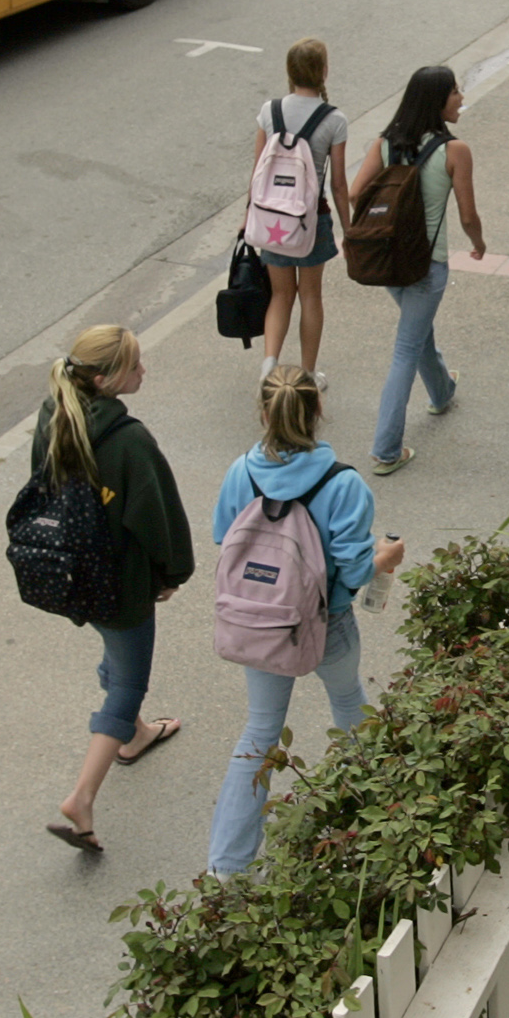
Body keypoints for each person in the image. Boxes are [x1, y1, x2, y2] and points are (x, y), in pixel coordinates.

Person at [207, 367, 408, 874]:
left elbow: (223, 539)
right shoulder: (342, 483)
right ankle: (382, 821)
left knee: (259, 733)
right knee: (348, 704)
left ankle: (225, 870)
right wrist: (386, 556)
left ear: (263, 413)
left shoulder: (241, 472)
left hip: (263, 626)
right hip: (328, 622)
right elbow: (357, 568)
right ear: (317, 411)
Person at [28, 325, 197, 853]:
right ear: (105, 380)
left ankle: (138, 733)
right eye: (135, 366)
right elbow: (158, 517)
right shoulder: (129, 442)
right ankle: (81, 797)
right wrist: (173, 575)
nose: (143, 371)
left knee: (114, 653)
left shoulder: (52, 415)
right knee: (128, 681)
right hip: (121, 582)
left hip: (71, 573)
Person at [347, 65, 486, 475]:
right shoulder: (454, 151)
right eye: (455, 92)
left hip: (388, 262)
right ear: (437, 100)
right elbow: (467, 215)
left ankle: (442, 391)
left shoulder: (385, 143)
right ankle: (385, 449)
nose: (461, 98)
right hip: (427, 266)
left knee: (416, 332)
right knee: (406, 348)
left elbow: (356, 193)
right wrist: (479, 245)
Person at [255, 38, 351, 385]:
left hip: (272, 219)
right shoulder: (333, 119)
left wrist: (247, 218)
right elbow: (338, 183)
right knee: (311, 295)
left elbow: (257, 172)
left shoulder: (270, 111)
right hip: (312, 219)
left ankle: (269, 366)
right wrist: (348, 228)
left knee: (281, 294)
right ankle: (308, 374)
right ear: (323, 71)